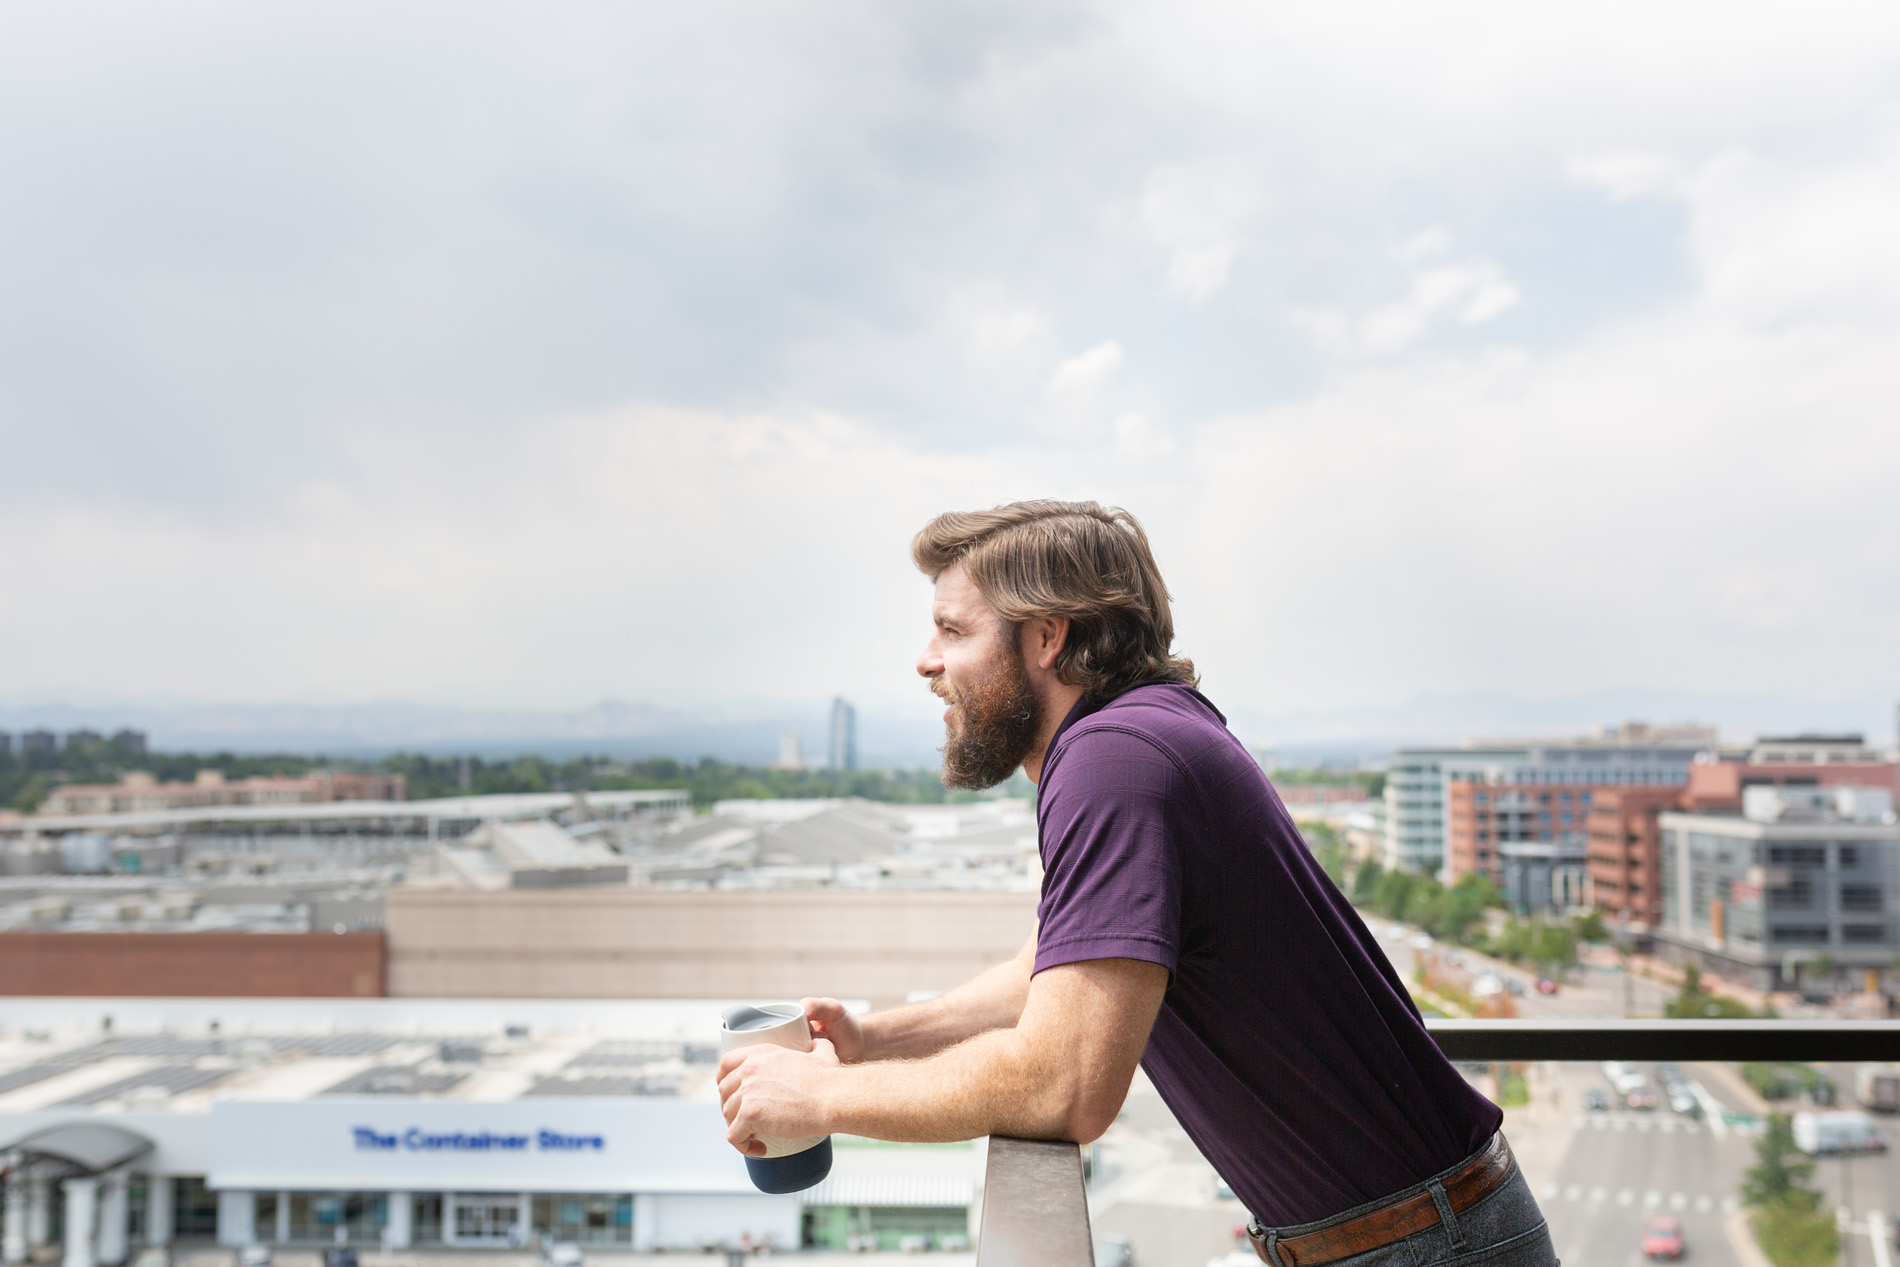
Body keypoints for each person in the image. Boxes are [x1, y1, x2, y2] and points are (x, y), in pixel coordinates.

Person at [717, 500, 1554, 1267]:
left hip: (1420, 1245)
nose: (925, 660)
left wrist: (826, 1094)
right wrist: (877, 1038)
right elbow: (1051, 969)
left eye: (952, 629)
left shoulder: (1113, 763)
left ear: (1047, 637)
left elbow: (1067, 1088)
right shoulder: (1148, 731)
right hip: (1419, 1230)